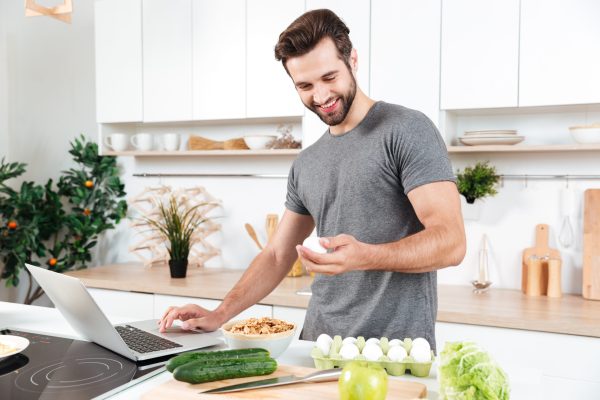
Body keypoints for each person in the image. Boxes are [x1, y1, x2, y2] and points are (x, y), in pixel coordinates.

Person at [159, 9, 466, 352]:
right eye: (305, 85)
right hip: (317, 347)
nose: (320, 96)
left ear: (353, 59)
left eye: (329, 77)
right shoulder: (307, 162)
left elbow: (451, 242)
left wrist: (365, 255)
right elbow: (277, 254)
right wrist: (220, 313)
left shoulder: (406, 130)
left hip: (394, 352)